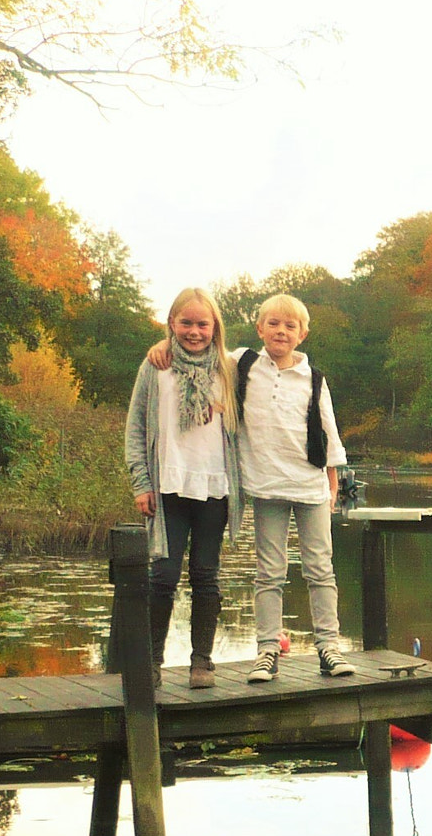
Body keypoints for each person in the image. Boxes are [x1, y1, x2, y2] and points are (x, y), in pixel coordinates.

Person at [154, 292, 352, 681]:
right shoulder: (241, 363)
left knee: (319, 568)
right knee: (269, 571)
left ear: (303, 334)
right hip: (264, 486)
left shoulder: (314, 378)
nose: (281, 331)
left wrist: (332, 484)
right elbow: (199, 348)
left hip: (309, 486)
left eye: (290, 326)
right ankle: (267, 650)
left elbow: (328, 432)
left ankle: (328, 646)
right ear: (260, 328)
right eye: (273, 324)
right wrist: (162, 343)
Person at [125, 287, 242, 689]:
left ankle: (202, 663)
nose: (194, 332)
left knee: (206, 575)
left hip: (215, 487)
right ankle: (152, 661)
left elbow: (271, 361)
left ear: (215, 327)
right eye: (186, 323)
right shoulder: (156, 366)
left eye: (202, 324)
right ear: (171, 324)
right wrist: (141, 483)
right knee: (163, 576)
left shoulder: (230, 368)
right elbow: (136, 428)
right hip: (168, 486)